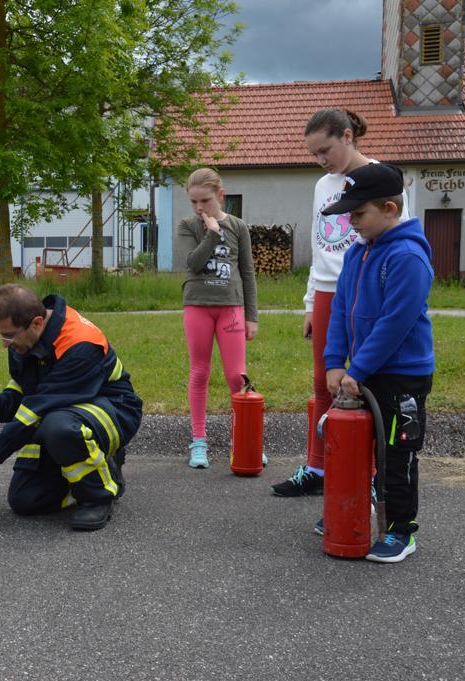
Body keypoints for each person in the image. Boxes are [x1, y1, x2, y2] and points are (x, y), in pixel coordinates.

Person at [272, 108, 411, 497]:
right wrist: (310, 300)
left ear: (348, 136)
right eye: (314, 154)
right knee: (323, 382)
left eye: (326, 149)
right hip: (330, 291)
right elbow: (320, 246)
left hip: (368, 289)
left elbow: (400, 238)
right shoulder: (322, 186)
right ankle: (318, 467)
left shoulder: (385, 178)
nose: (321, 159)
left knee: (363, 385)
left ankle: (364, 474)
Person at [0, 284, 143, 531]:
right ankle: (91, 471)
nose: (4, 343)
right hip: (61, 410)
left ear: (36, 323)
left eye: (9, 335)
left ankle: (99, 495)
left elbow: (38, 408)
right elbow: (27, 387)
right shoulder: (24, 340)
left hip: (113, 410)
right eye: (0, 334)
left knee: (58, 428)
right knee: (26, 500)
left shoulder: (80, 345)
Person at [321, 162, 434, 563]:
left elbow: (395, 324)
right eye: (349, 215)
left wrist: (358, 369)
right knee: (360, 449)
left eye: (359, 214)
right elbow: (338, 311)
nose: (352, 223)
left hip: (402, 376)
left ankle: (402, 530)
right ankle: (361, 511)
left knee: (397, 454)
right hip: (363, 372)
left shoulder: (407, 257)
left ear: (389, 208)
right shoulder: (356, 255)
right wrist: (335, 362)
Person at [174, 168, 258, 469]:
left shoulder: (238, 226)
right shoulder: (187, 226)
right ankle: (199, 440)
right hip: (197, 306)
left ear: (220, 196)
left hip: (231, 307)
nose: (199, 208)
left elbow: (247, 272)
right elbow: (193, 264)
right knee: (200, 372)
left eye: (205, 201)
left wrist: (252, 316)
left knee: (237, 375)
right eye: (194, 202)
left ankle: (245, 439)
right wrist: (210, 233)